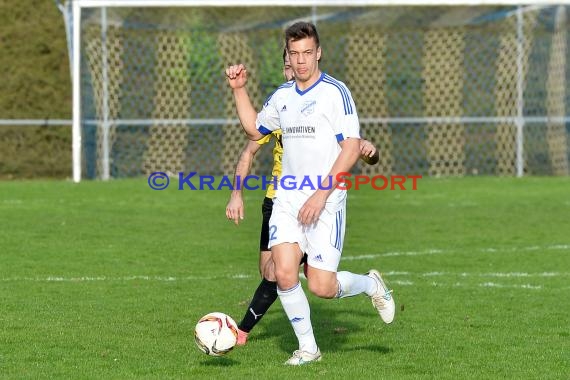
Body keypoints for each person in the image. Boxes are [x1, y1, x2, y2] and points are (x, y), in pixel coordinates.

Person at [225, 21, 395, 365]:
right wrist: (239, 89)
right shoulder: (282, 96)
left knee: (321, 286)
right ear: (288, 55)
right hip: (287, 197)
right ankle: (308, 349)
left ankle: (370, 284)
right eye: (294, 54)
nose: (301, 61)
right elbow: (254, 127)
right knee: (283, 273)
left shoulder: (335, 92)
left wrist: (320, 194)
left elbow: (350, 149)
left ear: (318, 52)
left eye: (307, 53)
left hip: (327, 199)